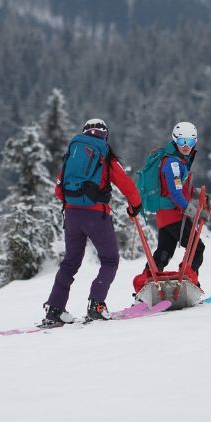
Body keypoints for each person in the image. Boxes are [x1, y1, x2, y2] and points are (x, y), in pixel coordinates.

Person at [43, 118, 143, 325]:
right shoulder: (106, 156)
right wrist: (135, 205)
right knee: (110, 260)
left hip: (71, 214)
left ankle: (55, 308)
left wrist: (75, 201)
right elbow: (127, 185)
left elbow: (58, 190)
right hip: (96, 215)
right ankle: (96, 305)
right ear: (105, 135)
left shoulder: (73, 154)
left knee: (70, 263)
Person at [146, 121, 208, 283]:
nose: (186, 146)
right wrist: (193, 211)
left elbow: (181, 188)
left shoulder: (179, 161)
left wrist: (197, 196)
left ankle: (145, 282)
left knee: (164, 252)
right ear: (175, 140)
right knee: (197, 247)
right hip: (174, 216)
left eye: (190, 142)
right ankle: (188, 280)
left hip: (166, 216)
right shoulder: (173, 164)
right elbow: (175, 192)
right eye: (182, 141)